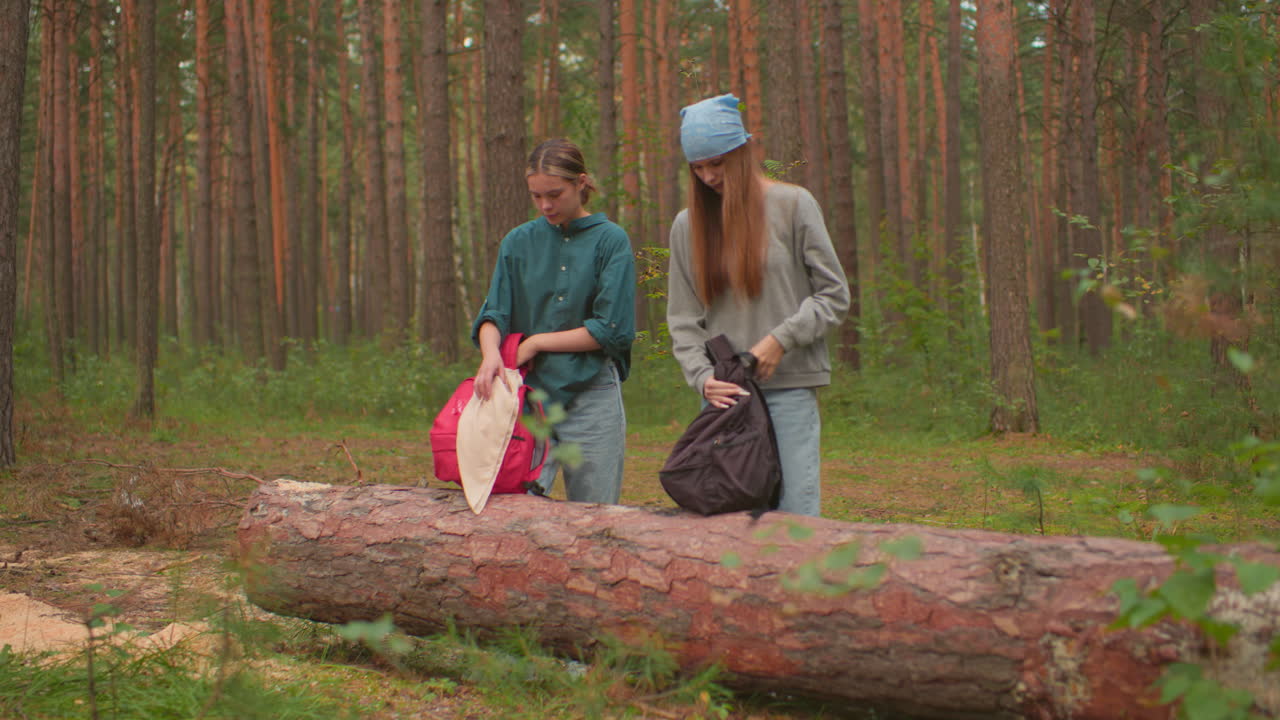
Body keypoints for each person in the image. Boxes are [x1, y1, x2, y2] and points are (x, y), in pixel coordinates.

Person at [666, 94, 851, 517]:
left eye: (717, 163)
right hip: (726, 397)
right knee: (729, 516)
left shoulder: (794, 205)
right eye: (697, 167)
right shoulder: (687, 226)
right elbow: (683, 319)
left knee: (796, 514)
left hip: (790, 386)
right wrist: (702, 378)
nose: (708, 176)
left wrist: (781, 339)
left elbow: (834, 294)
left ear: (743, 151)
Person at [471, 138, 636, 504]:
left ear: (581, 183)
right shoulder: (517, 242)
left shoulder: (610, 241)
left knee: (595, 516)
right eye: (536, 196)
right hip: (527, 396)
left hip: (593, 394)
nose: (545, 205)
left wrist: (536, 342)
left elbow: (612, 328)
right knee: (513, 510)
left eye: (555, 194)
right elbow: (494, 313)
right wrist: (490, 354)